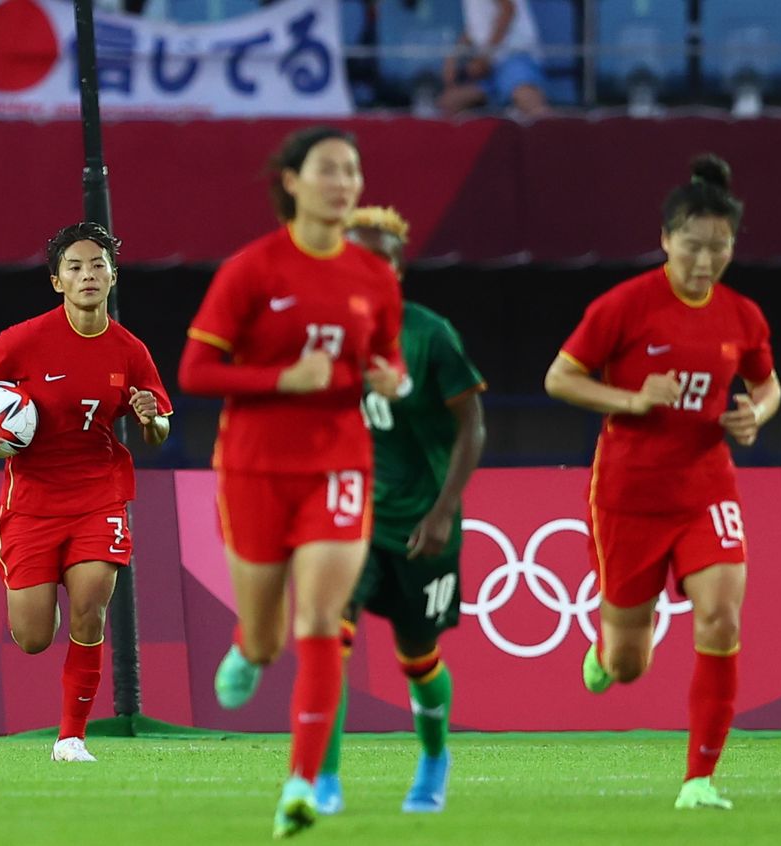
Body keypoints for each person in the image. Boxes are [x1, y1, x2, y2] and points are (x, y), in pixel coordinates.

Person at [178, 126, 407, 838]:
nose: (343, 183)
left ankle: (301, 784)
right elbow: (194, 372)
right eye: (329, 170)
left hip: (339, 464)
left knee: (321, 621)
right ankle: (249, 648)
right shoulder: (253, 269)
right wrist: (281, 379)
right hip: (253, 467)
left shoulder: (374, 277)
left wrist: (389, 381)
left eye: (353, 171)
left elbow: (389, 365)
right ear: (292, 181)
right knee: (271, 635)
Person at [544, 155, 781, 811]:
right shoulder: (624, 306)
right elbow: (559, 378)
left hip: (706, 488)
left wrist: (753, 416)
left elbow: (768, 385)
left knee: (721, 612)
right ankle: (605, 649)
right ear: (666, 238)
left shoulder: (743, 316)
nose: (705, 261)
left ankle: (699, 780)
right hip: (629, 492)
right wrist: (630, 400)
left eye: (720, 248)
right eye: (693, 246)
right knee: (627, 665)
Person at [0, 222, 172, 763]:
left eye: (98, 265)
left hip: (99, 495)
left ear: (113, 276)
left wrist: (149, 420)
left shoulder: (130, 351)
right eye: (75, 266)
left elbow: (159, 428)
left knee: (90, 608)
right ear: (57, 282)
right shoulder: (29, 338)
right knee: (32, 637)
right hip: (32, 502)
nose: (88, 274)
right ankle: (40, 610)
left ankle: (71, 738)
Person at [314, 206, 487, 816]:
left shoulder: (429, 335)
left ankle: (435, 756)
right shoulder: (329, 338)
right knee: (327, 640)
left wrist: (443, 511)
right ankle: (325, 779)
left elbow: (473, 426)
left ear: (397, 269)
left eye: (380, 259)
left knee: (418, 658)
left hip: (422, 523)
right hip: (352, 519)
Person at [437, 0, 550, 120]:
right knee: (449, 103)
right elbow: (476, 29)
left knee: (529, 102)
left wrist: (485, 56)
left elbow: (508, 11)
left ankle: (554, 133)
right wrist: (453, 58)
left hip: (514, 55)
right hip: (489, 67)